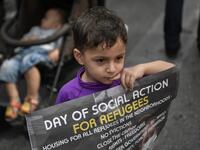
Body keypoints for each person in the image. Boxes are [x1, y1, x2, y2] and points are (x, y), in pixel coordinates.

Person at [55, 7, 175, 104]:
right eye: (101, 60)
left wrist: (143, 68)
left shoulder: (127, 78)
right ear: (79, 57)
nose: (112, 69)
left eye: (119, 58)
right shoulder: (69, 93)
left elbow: (172, 70)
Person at [0, 8, 66, 121]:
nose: (41, 19)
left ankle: (32, 97)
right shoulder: (35, 29)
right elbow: (22, 40)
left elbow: (61, 46)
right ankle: (14, 100)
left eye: (46, 18)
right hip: (23, 53)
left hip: (41, 56)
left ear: (56, 25)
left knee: (28, 60)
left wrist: (58, 51)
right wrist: (28, 39)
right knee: (7, 66)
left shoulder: (57, 33)